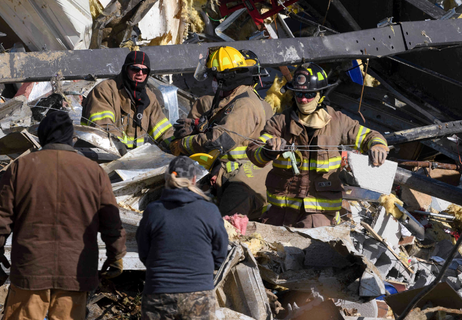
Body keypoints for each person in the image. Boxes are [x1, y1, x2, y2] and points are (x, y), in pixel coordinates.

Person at [0, 111, 126, 320]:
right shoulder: (94, 172)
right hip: (76, 272)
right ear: (72, 139)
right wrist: (115, 254)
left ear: (42, 137)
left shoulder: (21, 167)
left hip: (30, 270)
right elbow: (111, 220)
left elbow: (0, 217)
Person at [246, 63, 390, 228]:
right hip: (281, 212)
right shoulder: (280, 122)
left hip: (319, 215)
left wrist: (377, 145)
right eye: (299, 94)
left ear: (320, 94)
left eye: (309, 94)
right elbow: (254, 150)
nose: (303, 99)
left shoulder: (337, 121)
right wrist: (268, 149)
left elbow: (369, 136)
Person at [170, 46, 274, 220]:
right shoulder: (233, 98)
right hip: (233, 174)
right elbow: (222, 125)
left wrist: (184, 144)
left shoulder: (245, 105)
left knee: (227, 230)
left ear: (225, 78)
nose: (212, 81)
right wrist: (197, 127)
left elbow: (221, 140)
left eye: (214, 76)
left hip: (243, 182)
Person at [136, 156, 228, 320]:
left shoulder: (154, 211)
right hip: (198, 295)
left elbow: (143, 252)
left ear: (167, 179)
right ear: (194, 179)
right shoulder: (210, 211)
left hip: (158, 293)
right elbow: (220, 252)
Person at [82, 50, 175, 152]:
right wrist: (122, 151)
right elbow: (103, 127)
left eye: (144, 71)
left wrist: (177, 144)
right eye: (135, 69)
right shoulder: (105, 90)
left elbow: (163, 131)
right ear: (126, 69)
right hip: (101, 156)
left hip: (131, 161)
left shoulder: (148, 98)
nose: (140, 73)